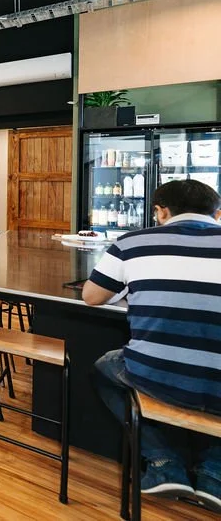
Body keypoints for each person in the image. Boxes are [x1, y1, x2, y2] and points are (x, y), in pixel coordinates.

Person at [82, 179, 221, 510]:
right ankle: (214, 471)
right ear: (216, 213)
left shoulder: (134, 243)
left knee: (105, 366)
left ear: (160, 211)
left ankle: (161, 461)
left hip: (157, 377)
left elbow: (91, 296)